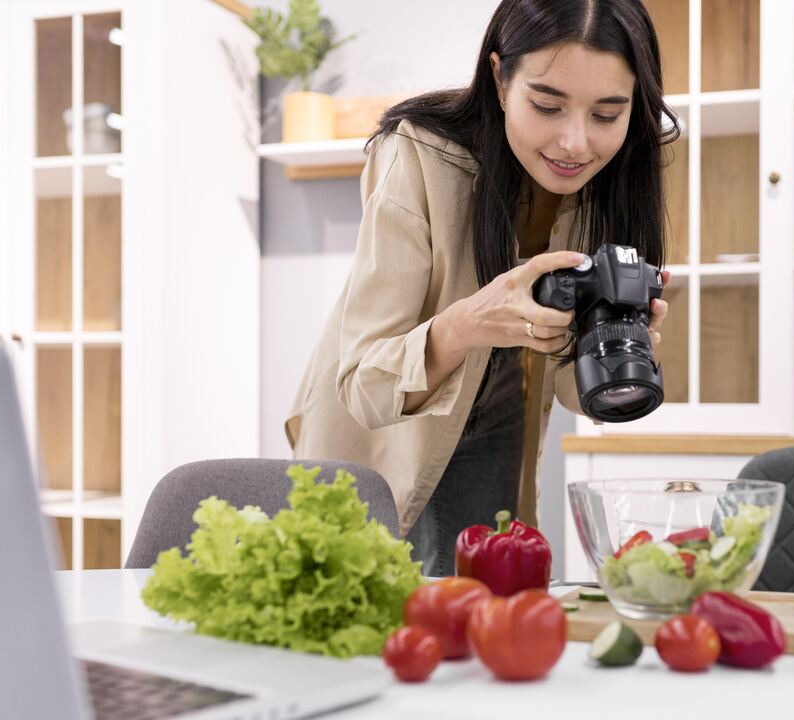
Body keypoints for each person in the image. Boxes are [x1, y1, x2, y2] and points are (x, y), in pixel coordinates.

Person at [285, 0, 679, 576]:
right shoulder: (418, 152)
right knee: (367, 623)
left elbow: (574, 396)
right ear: (499, 79)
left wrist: (614, 345)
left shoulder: (621, 177)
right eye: (547, 105)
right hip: (381, 429)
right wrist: (470, 321)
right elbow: (365, 385)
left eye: (607, 114)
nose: (575, 143)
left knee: (482, 615)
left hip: (500, 416)